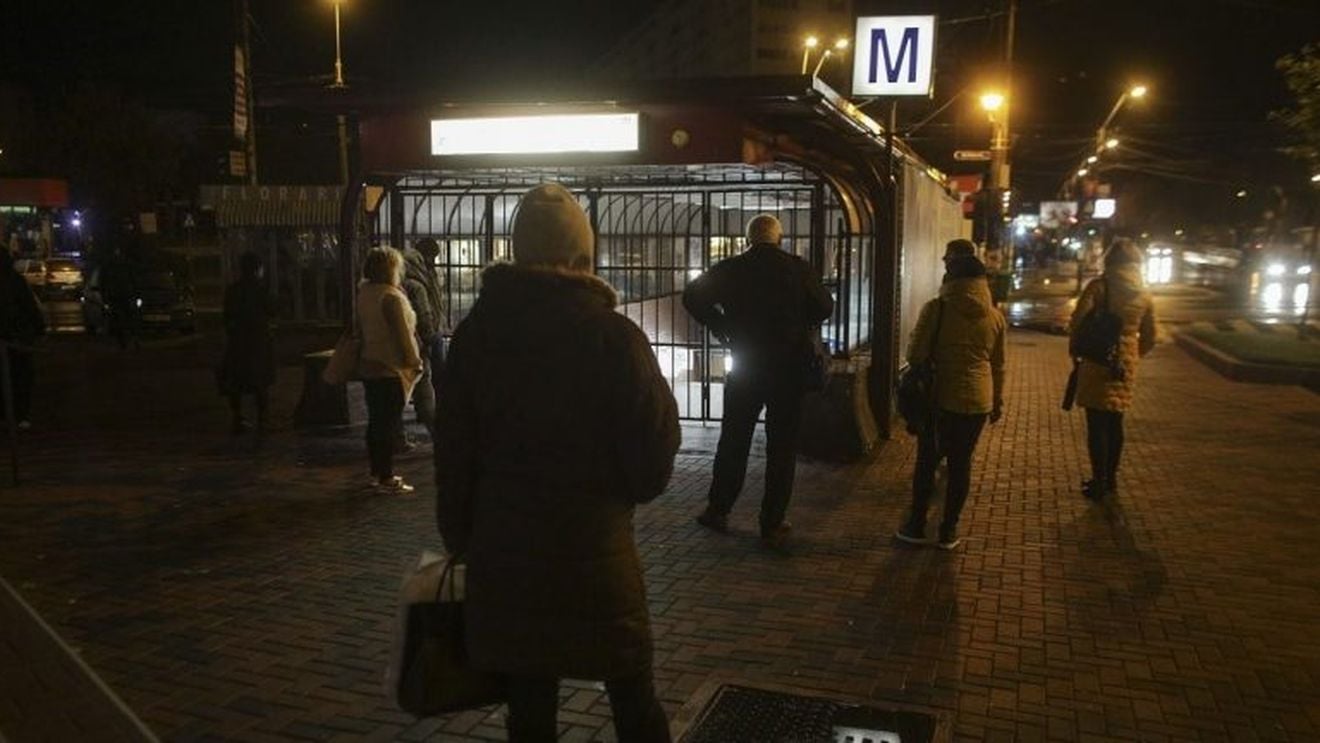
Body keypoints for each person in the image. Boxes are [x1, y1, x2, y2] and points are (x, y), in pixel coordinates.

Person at [435, 183, 679, 743]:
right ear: (582, 259)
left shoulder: (476, 337)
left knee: (529, 712)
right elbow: (653, 462)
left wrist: (463, 537)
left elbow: (453, 456)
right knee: (635, 704)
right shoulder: (615, 339)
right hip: (597, 556)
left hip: (505, 555)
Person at [683, 214, 833, 550]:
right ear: (778, 237)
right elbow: (825, 306)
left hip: (747, 364)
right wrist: (799, 322)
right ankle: (772, 522)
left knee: (734, 438)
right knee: (782, 448)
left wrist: (722, 327)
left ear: (750, 238)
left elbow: (693, 296)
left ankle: (718, 509)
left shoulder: (732, 268)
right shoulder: (797, 268)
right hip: (789, 369)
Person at [895, 254, 1006, 550]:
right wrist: (996, 401)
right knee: (961, 464)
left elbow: (915, 356)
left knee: (928, 459)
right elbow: (998, 365)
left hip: (939, 398)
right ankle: (948, 530)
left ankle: (916, 525)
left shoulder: (937, 309)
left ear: (951, 279)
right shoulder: (995, 316)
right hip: (978, 402)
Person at [1068, 239, 1156, 501]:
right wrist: (1132, 355)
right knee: (1116, 421)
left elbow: (1078, 321)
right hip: (1124, 363)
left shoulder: (1099, 287)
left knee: (1096, 423)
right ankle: (1112, 479)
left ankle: (1099, 480)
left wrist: (1076, 350)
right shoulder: (1144, 293)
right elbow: (1151, 335)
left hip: (1097, 358)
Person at [356, 246, 424, 494]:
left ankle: (377, 471)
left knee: (376, 421)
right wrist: (414, 361)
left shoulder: (364, 293)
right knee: (388, 422)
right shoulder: (391, 297)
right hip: (390, 367)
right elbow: (403, 335)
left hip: (369, 363)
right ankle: (386, 475)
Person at [219, 252, 275, 434]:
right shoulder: (261, 290)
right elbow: (272, 310)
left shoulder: (233, 290)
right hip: (257, 342)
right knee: (260, 382)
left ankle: (237, 417)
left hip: (238, 342)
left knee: (236, 381)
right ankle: (262, 419)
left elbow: (227, 316)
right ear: (257, 269)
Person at [399, 240, 445, 441]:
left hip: (417, 336)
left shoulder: (412, 275)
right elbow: (424, 311)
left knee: (417, 383)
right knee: (427, 380)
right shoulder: (417, 281)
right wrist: (430, 335)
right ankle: (436, 428)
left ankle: (425, 417)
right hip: (423, 338)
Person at [0, 247, 45, 430]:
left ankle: (8, 413)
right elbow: (29, 308)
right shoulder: (16, 281)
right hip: (17, 338)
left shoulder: (16, 281)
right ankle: (21, 414)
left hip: (14, 337)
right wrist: (38, 330)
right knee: (20, 377)